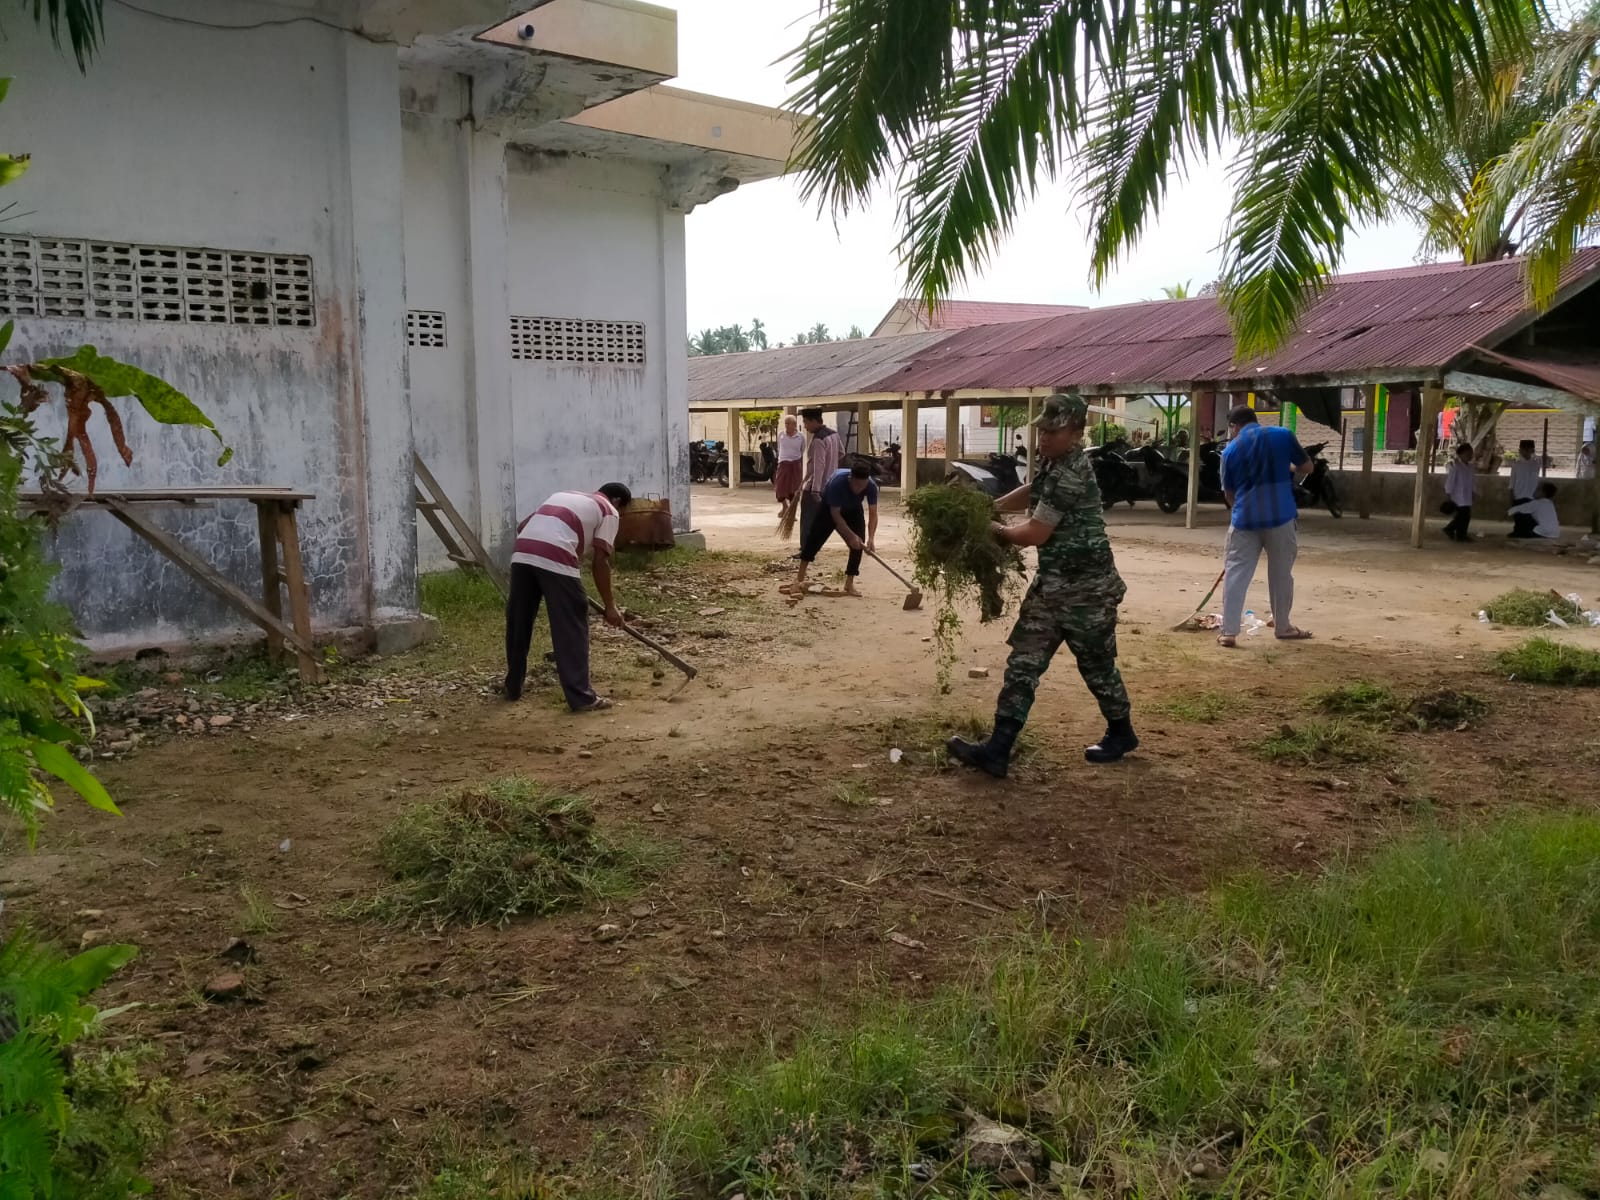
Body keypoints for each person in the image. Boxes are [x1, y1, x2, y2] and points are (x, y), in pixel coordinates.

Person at [947, 394, 1137, 777]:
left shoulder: (1072, 472)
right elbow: (1033, 489)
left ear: (1077, 433)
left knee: (1097, 667)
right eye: (1042, 430)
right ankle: (998, 749)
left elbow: (1035, 533)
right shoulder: (1056, 464)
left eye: (1054, 431)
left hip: (1088, 591)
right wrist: (992, 505)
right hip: (1053, 586)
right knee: (1023, 663)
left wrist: (992, 529)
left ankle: (1121, 732)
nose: (1044, 438)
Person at [504, 482, 631, 712]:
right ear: (619, 502)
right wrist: (610, 607)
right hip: (556, 555)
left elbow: (523, 526)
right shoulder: (609, 510)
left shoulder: (563, 494)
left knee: (519, 622)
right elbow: (601, 561)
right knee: (571, 625)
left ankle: (512, 686)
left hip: (522, 553)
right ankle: (582, 698)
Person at [1217, 405, 1314, 647]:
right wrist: (1288, 468)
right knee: (1282, 574)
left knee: (1236, 575)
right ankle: (1283, 627)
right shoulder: (1283, 435)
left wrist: (1239, 512)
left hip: (1244, 520)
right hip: (1281, 517)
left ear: (1234, 426)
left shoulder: (1229, 451)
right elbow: (1307, 467)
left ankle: (1229, 632)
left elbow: (1229, 495)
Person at [787, 461, 878, 597]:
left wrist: (871, 538)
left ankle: (849, 584)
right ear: (850, 479)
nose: (859, 489)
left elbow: (873, 513)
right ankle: (799, 578)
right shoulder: (837, 484)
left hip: (853, 508)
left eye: (862, 486)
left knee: (858, 544)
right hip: (829, 509)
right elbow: (836, 516)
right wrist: (850, 535)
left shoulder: (871, 486)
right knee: (814, 540)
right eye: (857, 485)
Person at [797, 407, 843, 543]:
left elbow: (819, 466)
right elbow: (841, 453)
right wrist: (832, 465)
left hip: (815, 487)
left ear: (813, 421)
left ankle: (805, 548)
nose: (805, 426)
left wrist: (815, 490)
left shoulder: (818, 440)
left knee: (807, 519)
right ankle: (812, 546)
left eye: (805, 422)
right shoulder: (834, 434)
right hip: (830, 484)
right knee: (820, 519)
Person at [1442, 442, 1477, 542]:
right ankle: (1456, 532)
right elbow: (1450, 482)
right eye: (1467, 454)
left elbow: (1472, 481)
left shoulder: (1470, 467)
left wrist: (1474, 492)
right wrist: (1448, 494)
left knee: (1464, 516)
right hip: (1458, 496)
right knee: (1464, 516)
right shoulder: (1456, 467)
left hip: (1467, 495)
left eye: (1471, 454)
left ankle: (1457, 533)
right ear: (1460, 455)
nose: (1470, 456)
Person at [774, 414, 806, 520]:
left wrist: (796, 461)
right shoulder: (781, 435)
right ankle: (784, 507)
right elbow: (779, 448)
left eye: (789, 423)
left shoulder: (801, 436)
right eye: (785, 423)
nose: (787, 426)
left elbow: (802, 450)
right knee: (780, 487)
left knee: (795, 489)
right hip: (783, 463)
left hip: (795, 464)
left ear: (795, 424)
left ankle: (792, 513)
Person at [1509, 439, 1541, 505]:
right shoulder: (1516, 464)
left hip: (1532, 497)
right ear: (1520, 451)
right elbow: (1512, 481)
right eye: (1524, 449)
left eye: (1528, 449)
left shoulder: (1536, 464)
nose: (1526, 451)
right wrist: (1511, 497)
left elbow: (1536, 480)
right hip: (1518, 497)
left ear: (1532, 450)